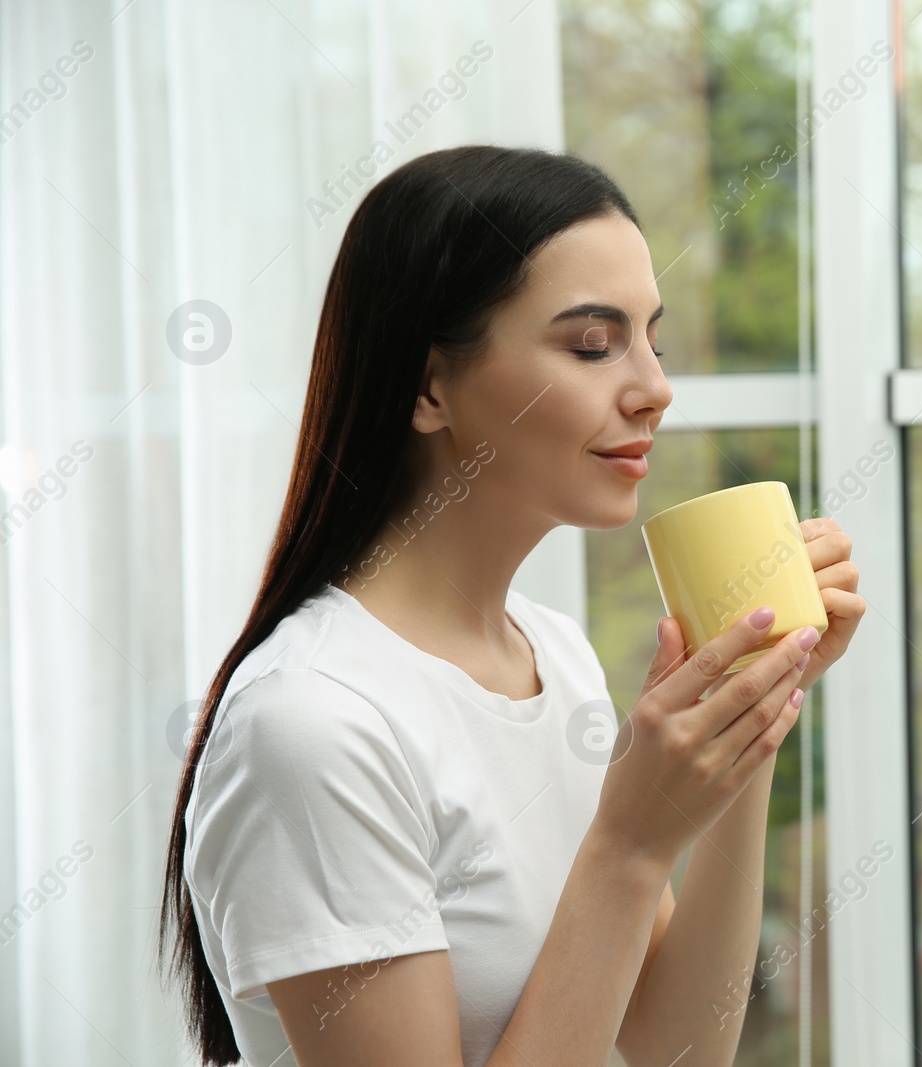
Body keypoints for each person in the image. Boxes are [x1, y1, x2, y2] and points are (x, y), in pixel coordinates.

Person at [156, 145, 865, 1067]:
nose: (655, 388)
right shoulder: (312, 722)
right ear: (426, 388)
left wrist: (752, 704)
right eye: (590, 344)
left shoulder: (553, 654)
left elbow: (672, 1051)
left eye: (656, 339)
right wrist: (628, 848)